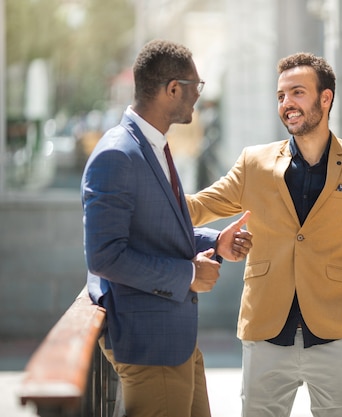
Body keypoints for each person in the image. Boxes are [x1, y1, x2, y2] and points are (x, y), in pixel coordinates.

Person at [185, 52, 342, 417]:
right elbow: (198, 206)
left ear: (325, 98)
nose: (287, 104)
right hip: (266, 331)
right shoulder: (254, 163)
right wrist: (146, 196)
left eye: (297, 93)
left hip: (338, 334)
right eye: (281, 96)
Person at [82, 39, 252, 417]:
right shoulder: (117, 154)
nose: (198, 97)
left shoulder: (151, 145)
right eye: (196, 86)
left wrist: (216, 242)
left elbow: (154, 229)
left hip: (175, 341)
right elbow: (105, 255)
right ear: (173, 88)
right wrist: (188, 274)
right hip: (150, 346)